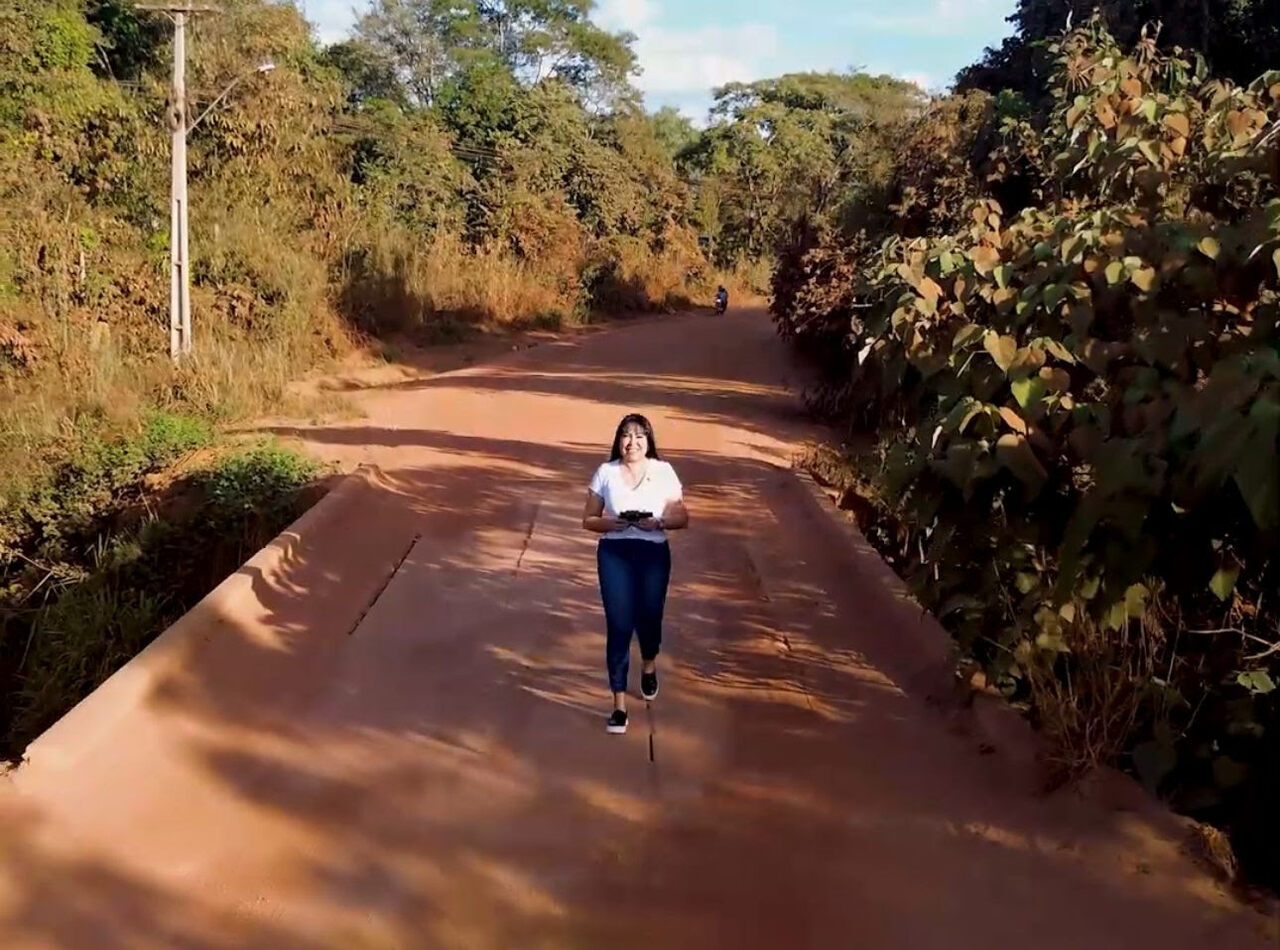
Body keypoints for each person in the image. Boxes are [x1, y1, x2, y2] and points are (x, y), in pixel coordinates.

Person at [582, 413, 689, 734]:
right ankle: (618, 704)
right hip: (615, 552)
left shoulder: (664, 471)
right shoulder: (605, 473)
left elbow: (682, 516)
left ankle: (648, 664)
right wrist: (609, 524)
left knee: (649, 618)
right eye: (626, 436)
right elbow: (588, 519)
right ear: (618, 441)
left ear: (649, 440)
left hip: (653, 552)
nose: (632, 442)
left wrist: (659, 523)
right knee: (618, 624)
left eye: (639, 436)